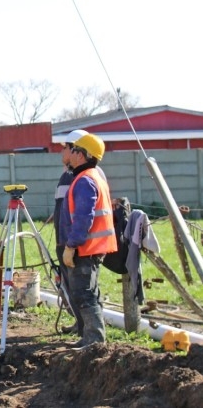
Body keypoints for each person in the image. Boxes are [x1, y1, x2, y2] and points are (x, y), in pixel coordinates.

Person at [59, 133, 117, 348]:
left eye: (74, 150)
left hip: (85, 248)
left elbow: (83, 218)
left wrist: (71, 246)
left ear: (83, 155)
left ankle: (94, 340)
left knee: (84, 294)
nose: (71, 153)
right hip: (93, 247)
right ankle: (94, 337)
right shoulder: (93, 177)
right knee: (91, 292)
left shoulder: (85, 180)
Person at [47, 128, 89, 335]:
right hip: (64, 238)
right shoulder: (68, 176)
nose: (62, 152)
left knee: (78, 286)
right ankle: (80, 324)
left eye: (65, 148)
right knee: (71, 284)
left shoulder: (76, 177)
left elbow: (78, 212)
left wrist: (68, 244)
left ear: (76, 150)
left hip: (70, 241)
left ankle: (84, 328)